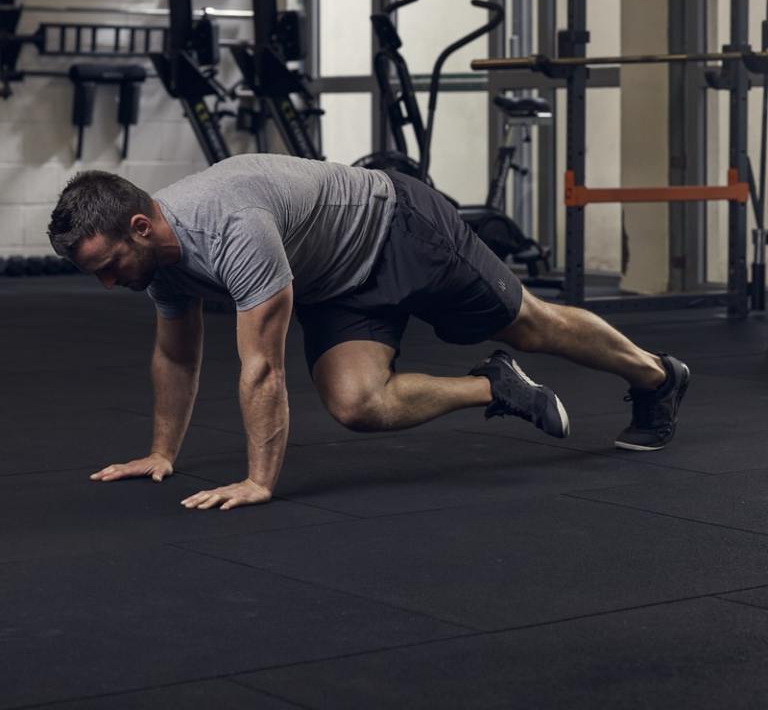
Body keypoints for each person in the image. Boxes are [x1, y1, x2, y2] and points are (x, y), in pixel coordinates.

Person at [47, 154, 689, 512]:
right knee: (357, 404)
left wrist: (260, 481)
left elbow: (262, 367)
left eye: (109, 268)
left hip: (399, 230)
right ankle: (493, 389)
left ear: (139, 226)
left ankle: (657, 376)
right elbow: (175, 355)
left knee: (532, 324)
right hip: (334, 281)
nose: (109, 283)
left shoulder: (230, 229)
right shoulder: (154, 261)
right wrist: (162, 454)